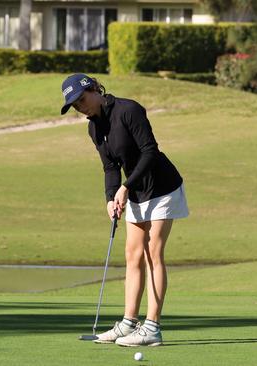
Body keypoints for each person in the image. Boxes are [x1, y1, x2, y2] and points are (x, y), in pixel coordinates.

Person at [60, 73, 189, 347]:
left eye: (82, 99)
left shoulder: (128, 110)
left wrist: (125, 187)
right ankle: (128, 324)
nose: (80, 106)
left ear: (95, 89)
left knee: (152, 252)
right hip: (135, 192)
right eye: (75, 105)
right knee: (132, 254)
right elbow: (110, 167)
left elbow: (150, 151)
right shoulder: (94, 128)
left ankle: (152, 327)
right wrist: (110, 197)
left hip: (162, 188)